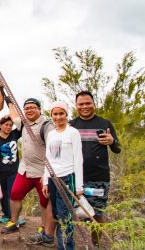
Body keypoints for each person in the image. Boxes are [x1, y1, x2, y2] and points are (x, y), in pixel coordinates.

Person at [2, 97, 56, 247]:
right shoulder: (24, 123)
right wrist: (8, 101)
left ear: (39, 109)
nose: (30, 110)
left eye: (33, 107)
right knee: (15, 194)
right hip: (25, 169)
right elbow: (14, 116)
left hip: (42, 171)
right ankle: (13, 221)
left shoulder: (47, 125)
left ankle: (43, 227)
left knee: (45, 200)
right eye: (27, 108)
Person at [69, 91, 121, 245]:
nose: (85, 106)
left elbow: (117, 149)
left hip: (99, 178)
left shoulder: (105, 124)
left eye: (88, 103)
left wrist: (112, 141)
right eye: (81, 104)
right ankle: (74, 243)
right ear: (76, 106)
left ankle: (95, 244)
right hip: (75, 177)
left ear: (94, 104)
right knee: (74, 213)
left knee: (97, 214)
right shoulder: (71, 125)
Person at [42, 101, 84, 250]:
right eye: (55, 114)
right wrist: (46, 181)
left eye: (61, 113)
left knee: (65, 217)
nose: (58, 117)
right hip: (53, 178)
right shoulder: (51, 134)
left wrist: (79, 186)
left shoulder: (73, 132)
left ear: (66, 114)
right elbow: (48, 158)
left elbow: (78, 159)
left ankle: (66, 247)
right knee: (56, 214)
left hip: (67, 178)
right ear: (51, 115)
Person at [0, 115, 24, 225]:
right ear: (0, 125)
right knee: (2, 195)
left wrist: (12, 117)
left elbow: (21, 125)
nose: (8, 127)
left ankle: (14, 217)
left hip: (13, 172)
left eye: (10, 125)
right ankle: (6, 215)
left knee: (12, 194)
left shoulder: (13, 135)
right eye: (6, 125)